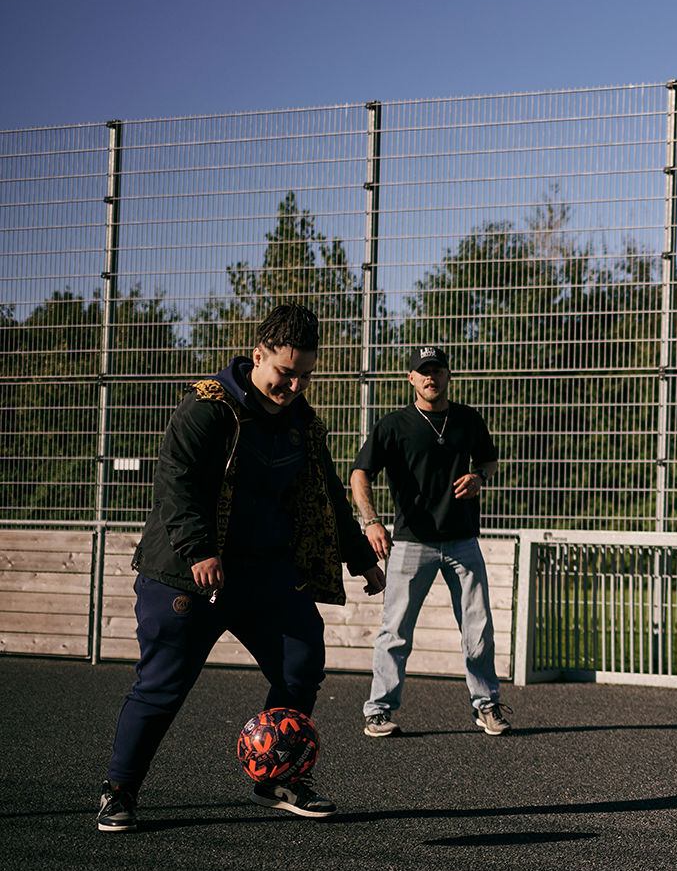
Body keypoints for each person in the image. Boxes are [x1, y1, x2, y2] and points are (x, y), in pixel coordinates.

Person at [96, 303, 385, 832]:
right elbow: (174, 483)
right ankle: (119, 790)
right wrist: (199, 548)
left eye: (305, 375)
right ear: (258, 356)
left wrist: (361, 556)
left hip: (264, 575)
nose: (294, 385)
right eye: (284, 373)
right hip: (188, 572)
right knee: (163, 686)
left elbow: (326, 497)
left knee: (302, 662)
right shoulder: (207, 407)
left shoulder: (303, 424)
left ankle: (278, 776)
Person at [351, 345, 508, 737]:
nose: (430, 377)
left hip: (462, 541)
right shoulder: (393, 425)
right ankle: (379, 711)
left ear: (448, 376)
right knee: (395, 631)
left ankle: (486, 705)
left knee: (478, 628)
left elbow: (488, 461)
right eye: (423, 371)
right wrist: (370, 521)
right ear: (411, 378)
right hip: (410, 542)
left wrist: (480, 478)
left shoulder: (468, 420)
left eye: (437, 370)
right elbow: (359, 473)